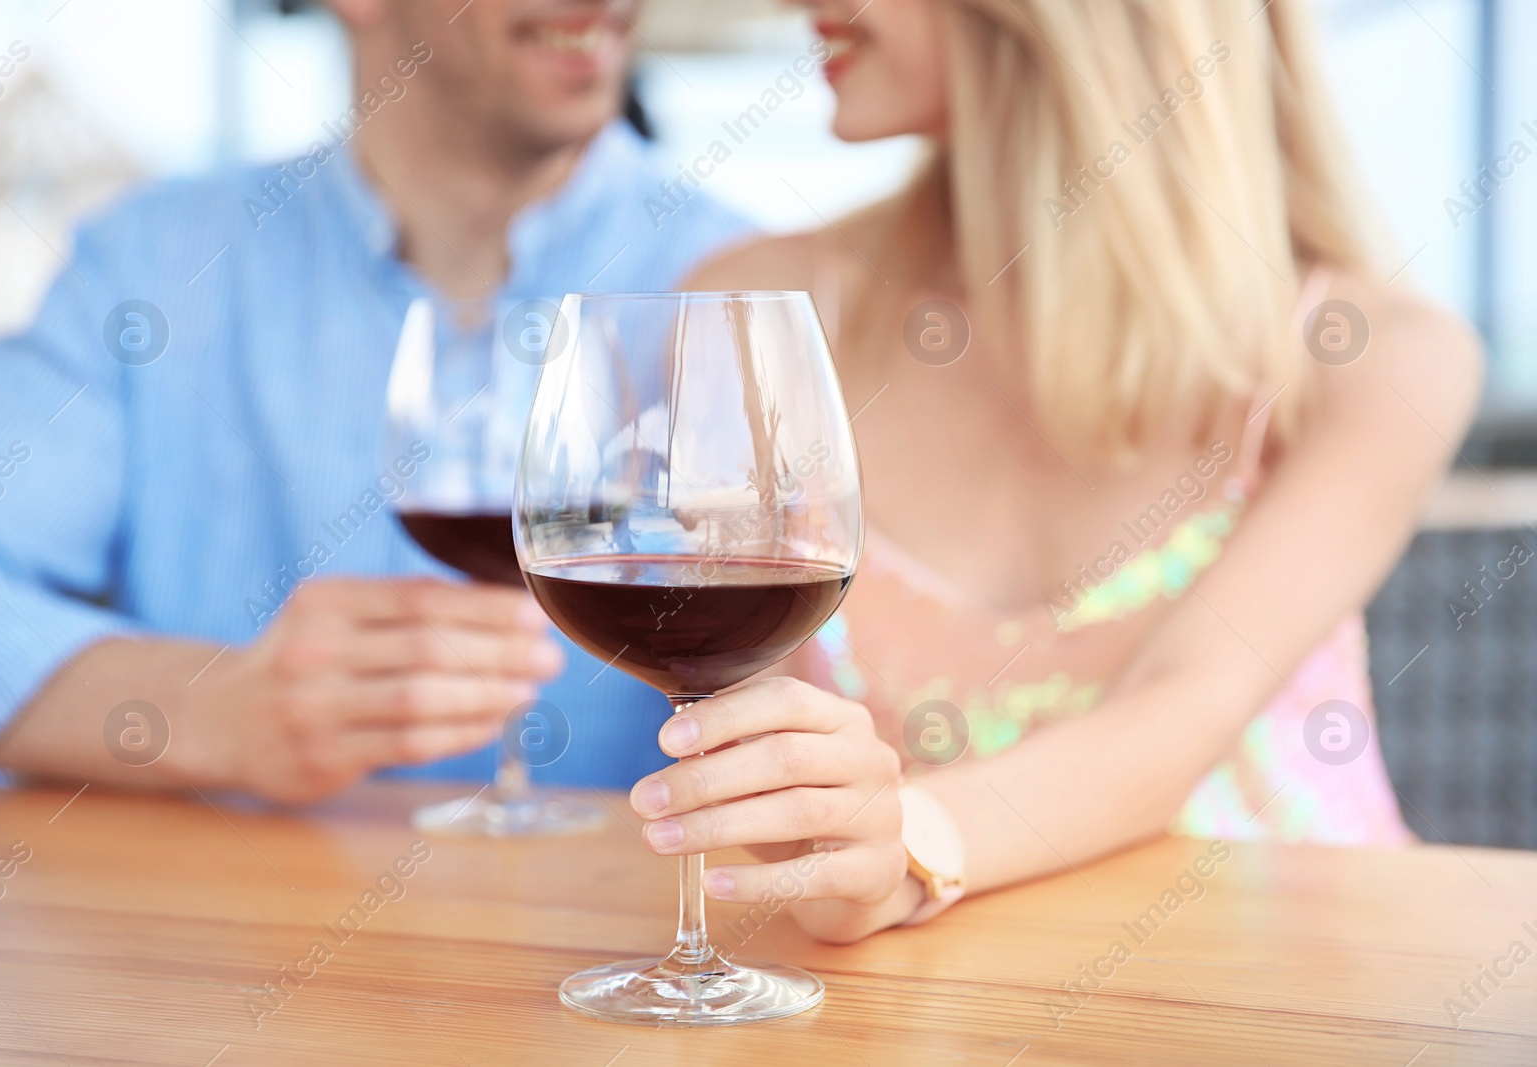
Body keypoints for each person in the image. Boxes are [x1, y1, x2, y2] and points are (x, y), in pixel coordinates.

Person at [617, 0, 1482, 944]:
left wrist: (901, 848)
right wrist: (827, 854)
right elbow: (759, 722)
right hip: (924, 1010)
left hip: (1303, 999)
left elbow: (1180, 707)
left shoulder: (1375, 359)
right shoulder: (754, 316)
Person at [0, 0, 749, 797]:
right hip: (228, 921)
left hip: (604, 930)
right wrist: (211, 708)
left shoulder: (749, 288)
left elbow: (847, 711)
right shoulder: (151, 268)